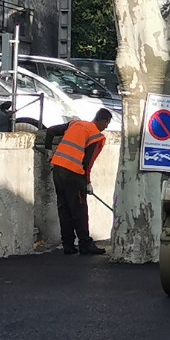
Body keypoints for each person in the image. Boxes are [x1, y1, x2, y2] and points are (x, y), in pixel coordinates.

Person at [45, 108, 113, 255]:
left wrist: (48, 151)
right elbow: (87, 163)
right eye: (107, 123)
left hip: (58, 170)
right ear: (102, 120)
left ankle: (68, 245)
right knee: (79, 210)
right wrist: (87, 182)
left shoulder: (75, 124)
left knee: (64, 209)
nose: (106, 126)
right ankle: (85, 244)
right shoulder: (96, 136)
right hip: (74, 175)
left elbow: (50, 131)